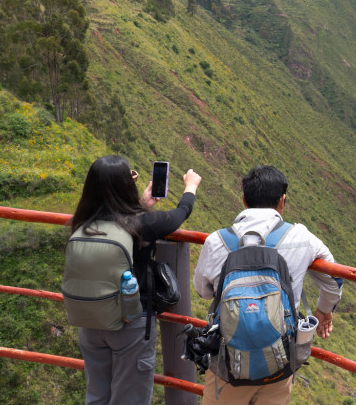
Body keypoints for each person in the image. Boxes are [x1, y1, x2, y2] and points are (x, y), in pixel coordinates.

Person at [193, 165, 342, 405]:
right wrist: (324, 311)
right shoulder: (302, 238)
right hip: (278, 362)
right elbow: (334, 278)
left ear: (243, 199)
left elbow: (202, 290)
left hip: (228, 365)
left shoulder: (217, 241)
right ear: (282, 201)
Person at [70, 155, 202, 405]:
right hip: (130, 324)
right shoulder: (142, 223)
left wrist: (143, 203)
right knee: (129, 398)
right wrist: (190, 187)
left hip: (89, 321)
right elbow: (179, 214)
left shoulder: (82, 221)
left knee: (97, 395)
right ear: (125, 186)